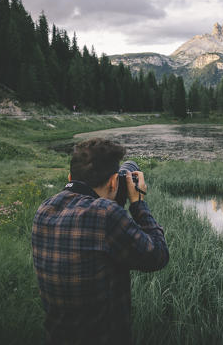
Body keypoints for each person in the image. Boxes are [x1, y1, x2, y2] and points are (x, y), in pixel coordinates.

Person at [32, 138, 169, 344]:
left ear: (70, 177)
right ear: (114, 182)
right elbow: (158, 255)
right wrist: (138, 203)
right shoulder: (105, 214)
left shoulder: (45, 209)